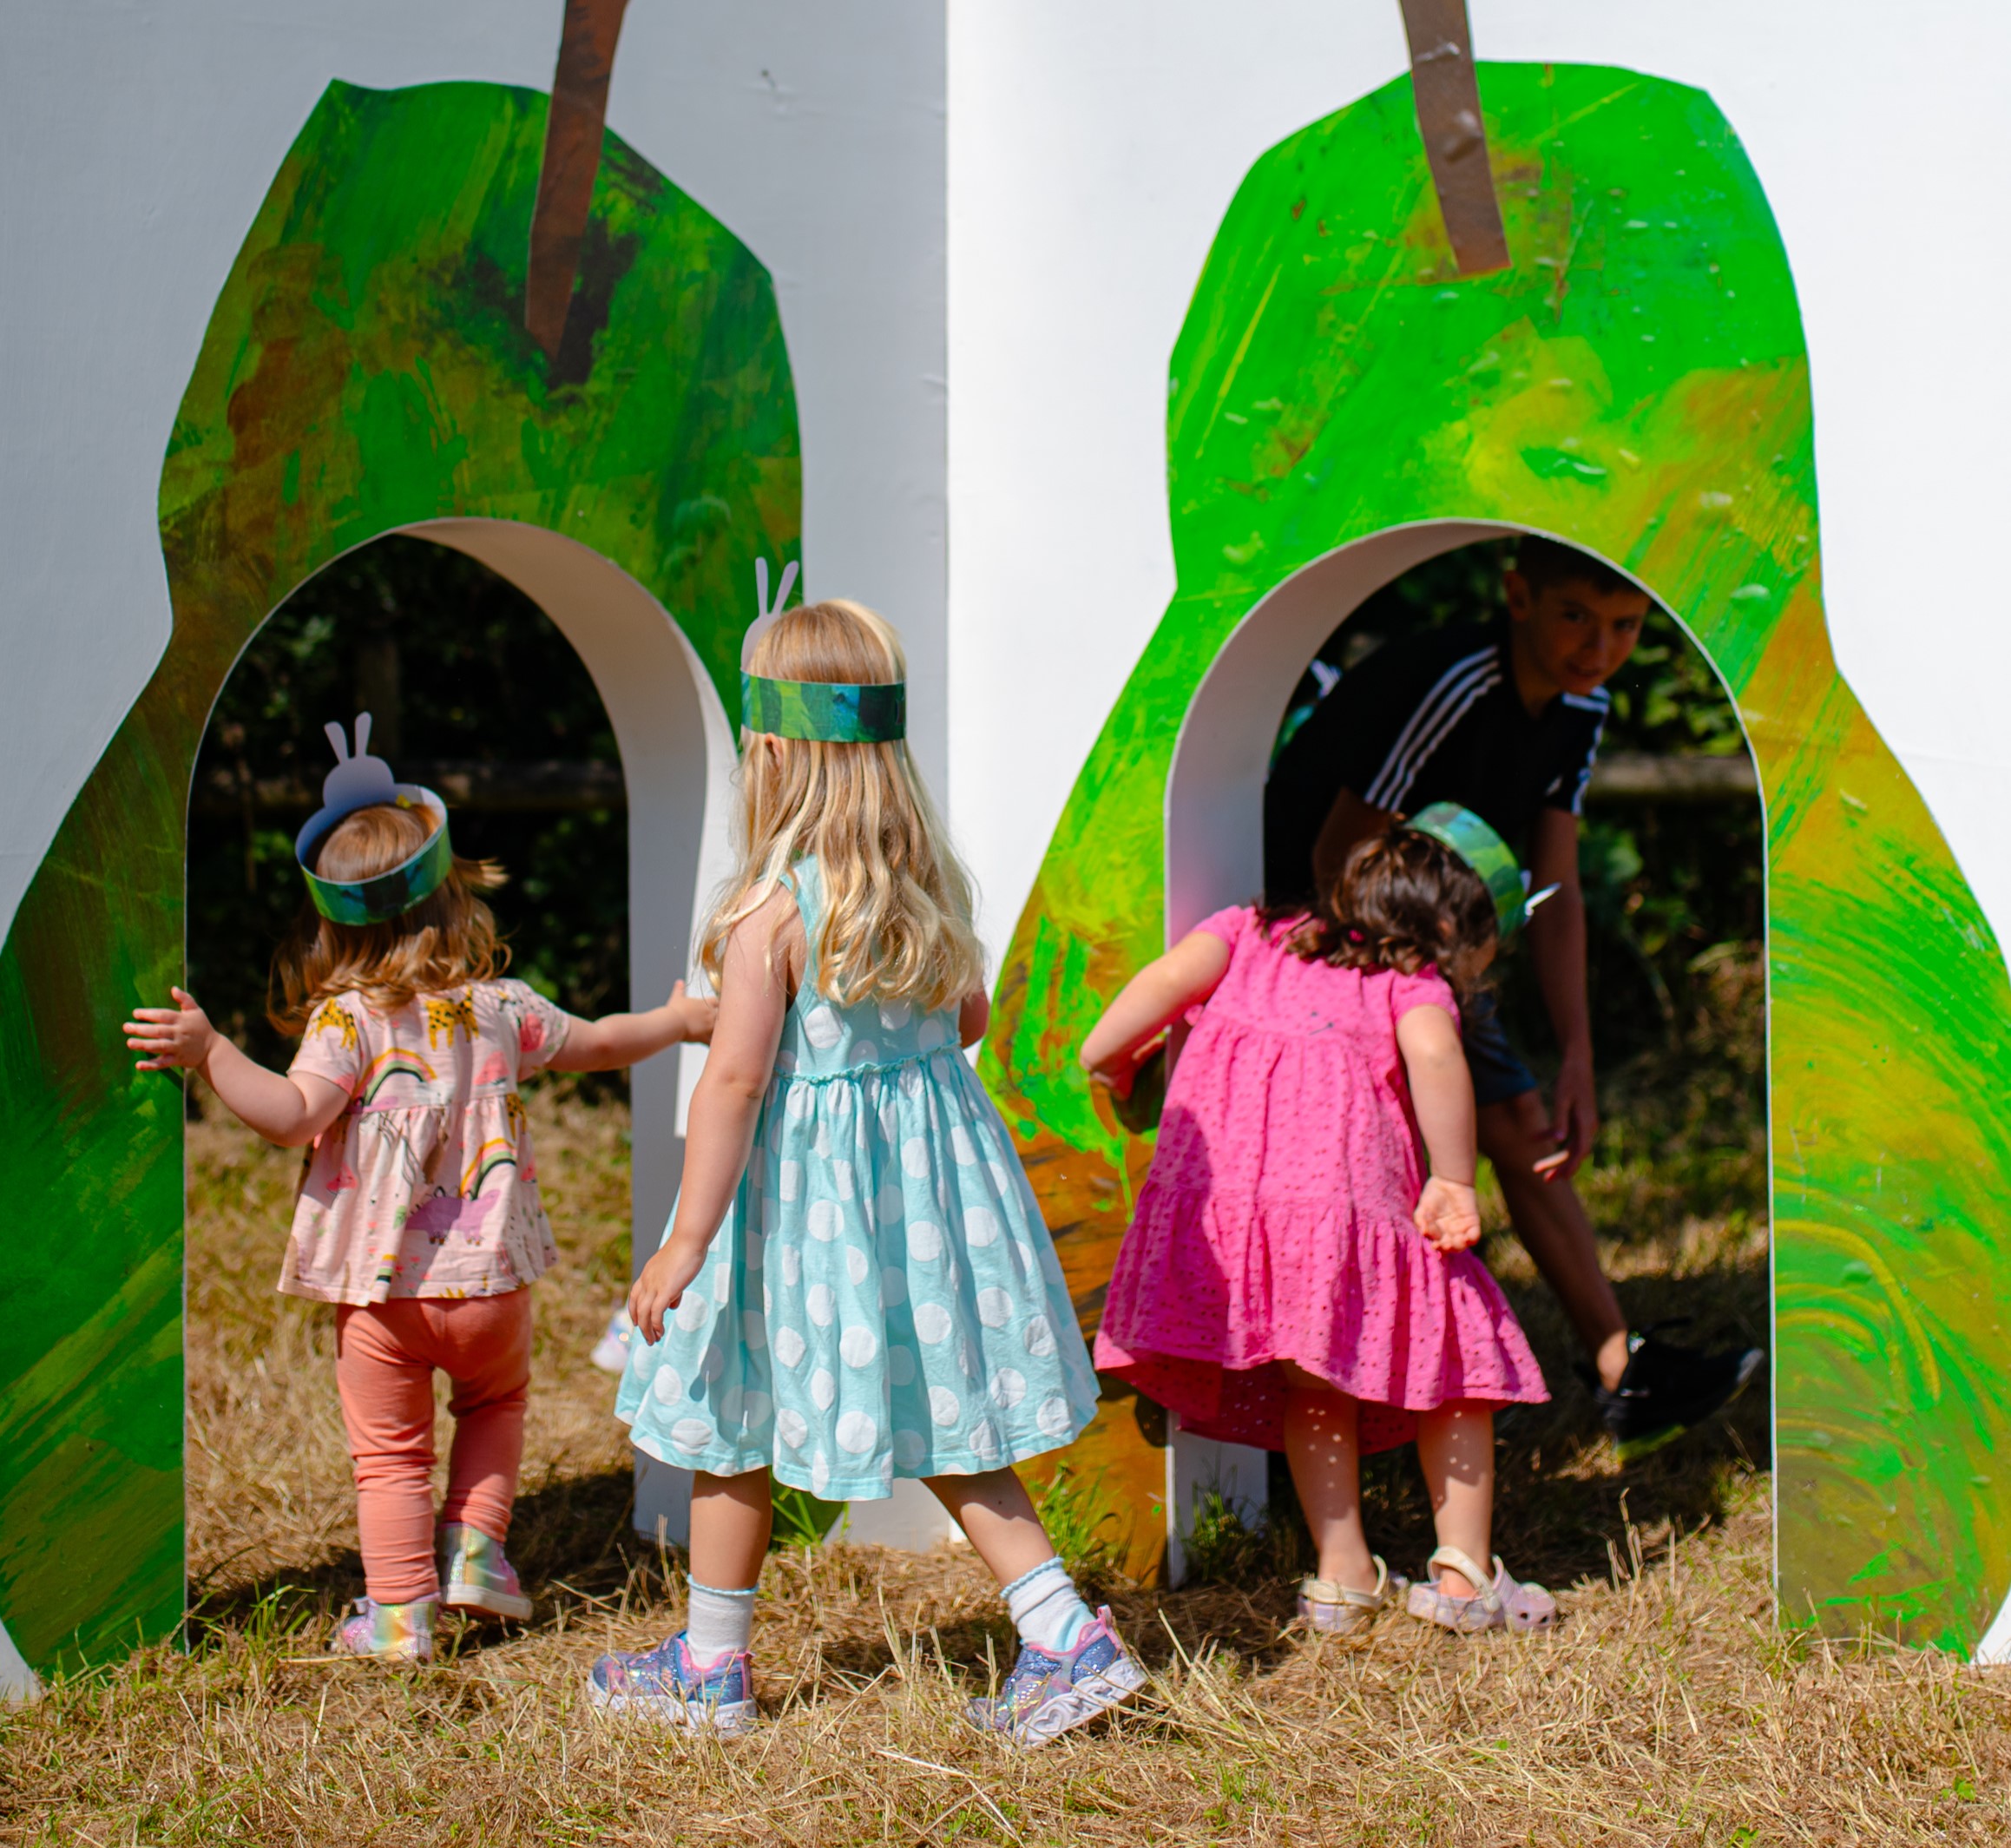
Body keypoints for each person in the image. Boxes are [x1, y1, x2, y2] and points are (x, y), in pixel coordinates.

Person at [593, 596, 1140, 1745]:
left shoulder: (770, 913)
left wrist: (686, 1239)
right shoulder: (922, 890)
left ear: (775, 757)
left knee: (727, 1415)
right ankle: (1059, 1631)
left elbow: (737, 1085)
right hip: (921, 1214)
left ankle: (712, 1663)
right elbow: (971, 1015)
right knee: (952, 1430)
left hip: (794, 1218)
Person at [123, 719, 715, 1663]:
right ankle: (477, 1552)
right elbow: (603, 1039)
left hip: (385, 1296)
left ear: (333, 921)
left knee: (390, 1455)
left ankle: (400, 1611)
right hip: (492, 1288)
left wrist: (210, 1051)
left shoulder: (344, 1022)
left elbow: (288, 1114)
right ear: (452, 898)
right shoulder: (502, 1006)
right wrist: (682, 1019)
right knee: (495, 1407)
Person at [1261, 537, 1760, 1458]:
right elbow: (1340, 854)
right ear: (1519, 597)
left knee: (1529, 1123)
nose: (1597, 646)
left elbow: (1558, 885)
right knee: (1387, 1169)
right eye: (1576, 614)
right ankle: (1374, 1402)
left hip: (1434, 950)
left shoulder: (1582, 704)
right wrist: (1406, 996)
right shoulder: (1457, 681)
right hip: (1334, 941)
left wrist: (1579, 1054)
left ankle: (1622, 1367)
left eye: (1623, 626)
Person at [1082, 812, 1555, 1634]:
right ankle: (1462, 1576)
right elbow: (1438, 1055)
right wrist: (1450, 1179)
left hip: (1233, 1217)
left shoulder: (1249, 928)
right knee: (1456, 1363)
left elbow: (1163, 982)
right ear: (1450, 928)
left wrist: (1108, 1053)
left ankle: (1340, 1577)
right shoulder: (1411, 982)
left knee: (1313, 1385)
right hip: (1344, 1208)